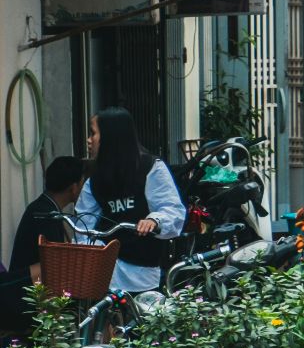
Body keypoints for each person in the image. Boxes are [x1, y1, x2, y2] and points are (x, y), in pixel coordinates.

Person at [74, 107, 185, 294]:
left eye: (93, 133)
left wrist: (154, 220)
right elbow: (84, 223)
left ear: (111, 136)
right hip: (107, 270)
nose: (89, 140)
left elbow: (172, 209)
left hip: (142, 271)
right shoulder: (95, 180)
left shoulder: (151, 168)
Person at [9, 155, 84, 280]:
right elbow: (55, 267)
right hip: (26, 292)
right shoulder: (46, 215)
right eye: (82, 183)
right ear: (74, 188)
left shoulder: (43, 206)